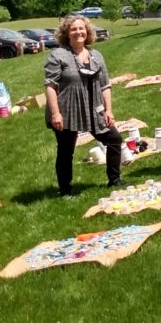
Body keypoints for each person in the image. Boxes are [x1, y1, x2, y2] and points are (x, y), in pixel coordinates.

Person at [44, 14, 123, 196]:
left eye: (82, 29)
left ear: (87, 32)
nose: (78, 32)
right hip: (67, 110)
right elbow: (50, 86)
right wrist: (56, 113)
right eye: (74, 29)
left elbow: (105, 85)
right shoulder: (58, 55)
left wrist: (109, 110)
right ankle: (65, 190)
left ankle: (114, 180)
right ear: (66, 33)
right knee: (66, 150)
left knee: (114, 139)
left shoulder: (96, 55)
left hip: (94, 108)